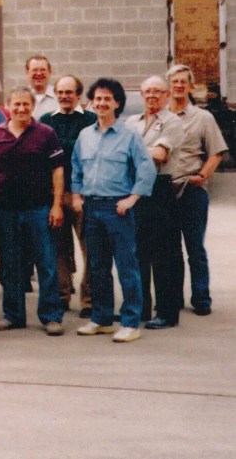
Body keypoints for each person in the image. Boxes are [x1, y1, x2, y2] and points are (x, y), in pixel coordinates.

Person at [72, 78, 156, 343]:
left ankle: (131, 321)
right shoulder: (85, 135)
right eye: (97, 98)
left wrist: (131, 199)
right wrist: (76, 196)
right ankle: (101, 318)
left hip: (117, 208)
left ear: (117, 103)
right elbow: (76, 168)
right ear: (91, 102)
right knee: (97, 266)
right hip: (92, 207)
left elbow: (146, 169)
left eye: (107, 98)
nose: (101, 103)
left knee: (126, 266)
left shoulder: (129, 135)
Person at [0, 87, 66, 336]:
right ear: (8, 105)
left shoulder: (46, 133)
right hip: (5, 210)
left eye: (25, 104)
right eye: (16, 104)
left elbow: (58, 170)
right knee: (10, 264)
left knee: (46, 262)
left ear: (32, 106)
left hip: (39, 208)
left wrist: (57, 204)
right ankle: (13, 315)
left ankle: (51, 316)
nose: (21, 109)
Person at [167, 64, 229, 316]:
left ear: (191, 86)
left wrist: (202, 175)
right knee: (171, 248)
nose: (179, 86)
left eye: (183, 82)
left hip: (192, 190)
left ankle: (201, 298)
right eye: (175, 82)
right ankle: (173, 297)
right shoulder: (162, 117)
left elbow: (216, 152)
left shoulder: (203, 118)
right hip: (166, 192)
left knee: (194, 247)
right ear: (169, 86)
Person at [124, 76, 184, 329]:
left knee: (164, 256)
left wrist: (128, 150)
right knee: (138, 254)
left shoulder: (173, 122)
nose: (152, 96)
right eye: (147, 91)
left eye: (157, 92)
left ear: (167, 95)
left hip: (160, 191)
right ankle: (141, 308)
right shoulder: (131, 121)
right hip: (135, 190)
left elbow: (159, 155)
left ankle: (166, 313)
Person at [39, 74, 97, 317]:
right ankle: (63, 294)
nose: (64, 97)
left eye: (69, 92)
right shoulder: (45, 121)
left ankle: (89, 298)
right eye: (60, 92)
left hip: (84, 193)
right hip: (56, 194)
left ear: (78, 95)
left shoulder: (91, 120)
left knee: (90, 247)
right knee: (59, 248)